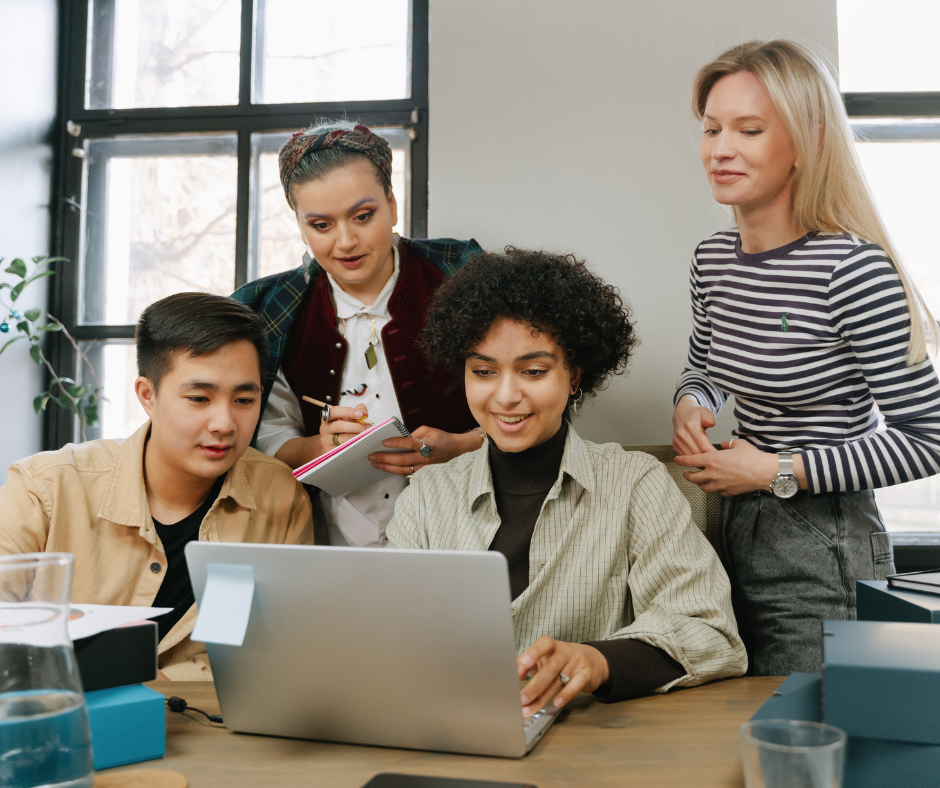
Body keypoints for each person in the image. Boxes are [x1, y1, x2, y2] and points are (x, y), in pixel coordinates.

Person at [671, 40, 940, 676]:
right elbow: (705, 367)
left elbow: (928, 438)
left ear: (806, 142)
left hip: (826, 540)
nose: (720, 149)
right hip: (734, 525)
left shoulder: (852, 271)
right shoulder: (713, 259)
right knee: (734, 720)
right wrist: (692, 402)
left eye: (749, 130)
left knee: (813, 725)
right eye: (711, 128)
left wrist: (774, 470)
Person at [387, 248, 746, 715]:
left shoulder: (635, 484)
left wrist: (596, 661)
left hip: (591, 743)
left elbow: (711, 633)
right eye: (484, 372)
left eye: (533, 371)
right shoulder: (428, 496)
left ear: (573, 375)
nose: (506, 396)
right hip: (452, 731)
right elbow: (389, 637)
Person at [0, 293, 314, 679]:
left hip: (207, 713)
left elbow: (274, 649)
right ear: (148, 396)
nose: (225, 424)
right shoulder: (45, 487)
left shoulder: (280, 497)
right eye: (199, 398)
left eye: (244, 400)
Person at [233, 121, 483, 548]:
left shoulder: (461, 275)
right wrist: (318, 447)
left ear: (392, 205)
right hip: (327, 544)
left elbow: (528, 399)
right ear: (300, 226)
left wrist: (460, 447)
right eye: (321, 225)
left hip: (463, 535)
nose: (346, 241)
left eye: (363, 216)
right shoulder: (270, 308)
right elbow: (267, 435)